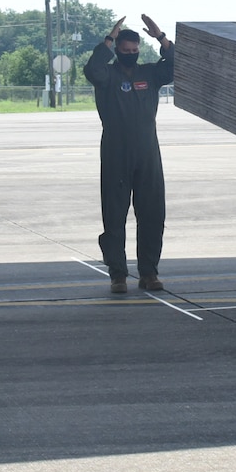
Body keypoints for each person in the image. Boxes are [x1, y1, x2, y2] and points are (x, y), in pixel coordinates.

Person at [84, 15, 176, 295]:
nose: (131, 55)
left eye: (134, 52)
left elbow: (175, 66)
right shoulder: (107, 76)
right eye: (125, 52)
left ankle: (149, 272)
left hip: (147, 152)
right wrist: (108, 40)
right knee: (114, 215)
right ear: (117, 52)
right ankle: (118, 274)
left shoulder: (149, 73)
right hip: (115, 152)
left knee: (152, 213)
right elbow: (92, 69)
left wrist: (161, 38)